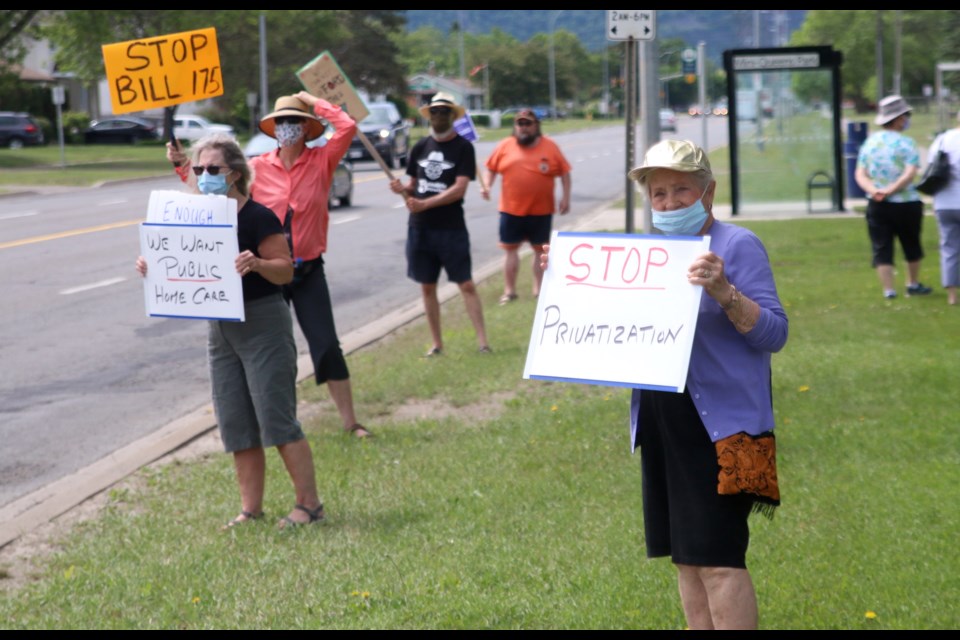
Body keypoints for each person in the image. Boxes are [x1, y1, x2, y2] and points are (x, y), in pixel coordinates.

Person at [542, 139, 788, 629]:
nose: (670, 203)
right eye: (659, 194)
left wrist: (724, 292)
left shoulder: (738, 245)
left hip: (722, 428)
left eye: (682, 190)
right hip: (662, 419)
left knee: (719, 561)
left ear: (708, 192)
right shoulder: (647, 254)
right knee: (687, 558)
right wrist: (563, 279)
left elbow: (774, 334)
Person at [140, 133, 326, 529]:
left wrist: (258, 264)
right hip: (221, 329)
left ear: (236, 174)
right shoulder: (193, 215)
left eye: (214, 170)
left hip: (262, 324)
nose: (205, 176)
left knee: (276, 418)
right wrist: (152, 264)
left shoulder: (258, 217)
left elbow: (286, 268)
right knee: (236, 421)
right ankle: (250, 508)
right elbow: (176, 260)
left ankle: (309, 505)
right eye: (200, 169)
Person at [169, 93, 373, 439]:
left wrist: (310, 99)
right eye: (280, 122)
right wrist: (180, 164)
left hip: (306, 270)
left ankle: (351, 422)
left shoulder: (323, 160)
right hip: (267, 271)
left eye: (293, 121)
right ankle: (280, 422)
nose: (286, 128)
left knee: (326, 346)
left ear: (307, 127)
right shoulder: (260, 166)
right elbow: (215, 182)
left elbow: (347, 125)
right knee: (273, 352)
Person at [388, 91, 491, 357]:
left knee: (465, 284)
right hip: (420, 228)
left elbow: (458, 189)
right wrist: (402, 188)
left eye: (444, 112)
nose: (438, 116)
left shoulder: (463, 148)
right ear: (429, 116)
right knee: (427, 286)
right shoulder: (420, 147)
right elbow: (413, 184)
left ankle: (483, 342)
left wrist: (426, 203)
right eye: (434, 111)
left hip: (451, 227)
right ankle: (437, 344)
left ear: (452, 116)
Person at [480, 107, 572, 305]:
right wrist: (487, 186)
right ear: (515, 127)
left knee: (540, 250)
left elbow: (564, 173)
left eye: (527, 123)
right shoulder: (505, 145)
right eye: (520, 124)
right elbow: (491, 169)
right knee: (510, 250)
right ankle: (509, 291)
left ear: (536, 125)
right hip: (511, 209)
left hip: (541, 210)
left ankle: (539, 291)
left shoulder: (550, 146)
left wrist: (565, 198)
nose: (523, 128)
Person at [855, 94, 933, 300]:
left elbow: (860, 173)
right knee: (911, 244)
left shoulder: (870, 143)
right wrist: (892, 190)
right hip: (906, 203)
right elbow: (910, 173)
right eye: (905, 115)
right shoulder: (907, 143)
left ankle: (889, 290)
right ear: (898, 119)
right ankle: (912, 283)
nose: (907, 119)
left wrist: (875, 190)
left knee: (881, 246)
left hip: (877, 203)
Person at [927, 110, 960, 306]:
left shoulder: (942, 139)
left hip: (945, 202)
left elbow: (932, 167)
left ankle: (952, 295)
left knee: (949, 247)